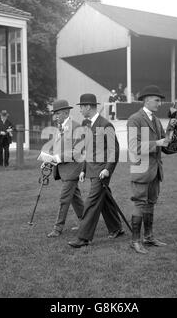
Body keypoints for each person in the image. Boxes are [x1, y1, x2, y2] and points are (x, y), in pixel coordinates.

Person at [68, 93, 124, 248]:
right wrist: (83, 170)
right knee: (105, 200)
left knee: (91, 203)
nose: (80, 110)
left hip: (101, 172)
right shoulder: (89, 125)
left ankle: (83, 237)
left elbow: (114, 151)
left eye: (81, 107)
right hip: (92, 170)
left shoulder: (106, 125)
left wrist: (108, 170)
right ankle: (117, 228)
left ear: (88, 107)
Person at [127, 85, 175, 254]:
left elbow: (165, 143)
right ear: (146, 100)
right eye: (157, 100)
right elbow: (134, 147)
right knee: (140, 203)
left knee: (150, 203)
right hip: (141, 170)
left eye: (160, 100)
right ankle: (135, 241)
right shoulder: (134, 119)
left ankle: (148, 237)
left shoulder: (155, 120)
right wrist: (158, 143)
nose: (159, 103)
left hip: (155, 170)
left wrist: (174, 141)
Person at [47, 100, 84, 238]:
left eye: (57, 113)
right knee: (75, 198)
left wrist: (57, 158)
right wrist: (48, 158)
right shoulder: (59, 128)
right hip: (64, 170)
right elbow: (57, 148)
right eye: (54, 114)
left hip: (72, 170)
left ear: (66, 112)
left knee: (64, 198)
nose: (55, 116)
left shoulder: (76, 127)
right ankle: (85, 222)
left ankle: (58, 228)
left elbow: (76, 152)